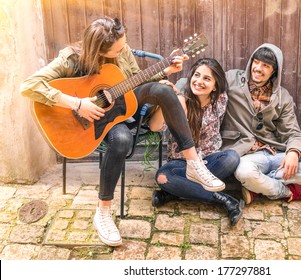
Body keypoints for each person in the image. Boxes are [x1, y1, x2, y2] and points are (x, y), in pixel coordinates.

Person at [20, 17, 225, 246]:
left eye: (123, 45)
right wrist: (77, 104)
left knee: (165, 91)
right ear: (99, 49)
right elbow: (29, 86)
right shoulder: (71, 58)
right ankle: (103, 213)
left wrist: (165, 70)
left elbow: (134, 80)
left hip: (125, 105)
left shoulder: (122, 48)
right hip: (97, 122)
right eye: (117, 49)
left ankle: (193, 164)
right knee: (122, 139)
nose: (123, 50)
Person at [220, 43, 301, 205]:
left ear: (274, 71)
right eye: (256, 62)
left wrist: (293, 152)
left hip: (274, 154)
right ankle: (287, 191)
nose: (258, 68)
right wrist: (178, 91)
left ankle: (258, 186)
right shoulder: (231, 79)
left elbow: (294, 132)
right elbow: (200, 81)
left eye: (265, 65)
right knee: (244, 172)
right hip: (248, 157)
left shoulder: (282, 96)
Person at [148, 58, 244, 226]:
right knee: (163, 177)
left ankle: (174, 194)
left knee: (232, 157)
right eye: (197, 75)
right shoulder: (180, 102)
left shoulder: (220, 100)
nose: (199, 81)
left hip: (208, 162)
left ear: (215, 86)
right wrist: (166, 100)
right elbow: (155, 126)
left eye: (207, 78)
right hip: (182, 164)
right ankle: (224, 200)